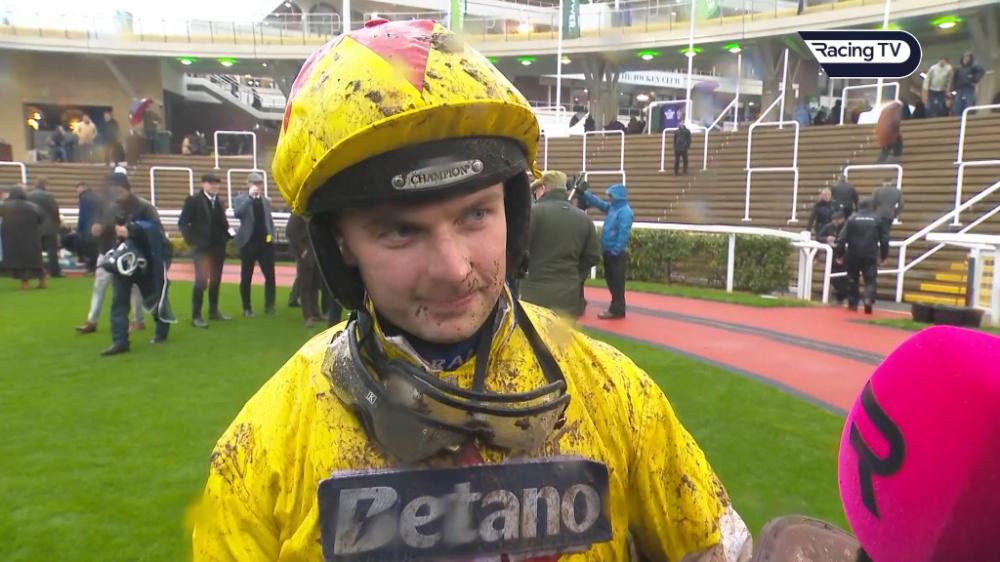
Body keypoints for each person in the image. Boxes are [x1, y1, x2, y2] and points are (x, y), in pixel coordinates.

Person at [192, 20, 750, 562]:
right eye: (401, 231)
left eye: (476, 214)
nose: (455, 270)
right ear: (340, 245)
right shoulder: (260, 451)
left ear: (514, 211)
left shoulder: (620, 397)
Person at [99, 172, 174, 355]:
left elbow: (157, 230)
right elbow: (108, 232)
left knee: (153, 298)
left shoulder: (145, 207)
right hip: (121, 262)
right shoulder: (111, 208)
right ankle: (120, 341)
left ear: (126, 187)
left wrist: (132, 230)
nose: (115, 191)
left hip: (144, 261)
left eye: (118, 187)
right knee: (119, 301)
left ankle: (162, 329)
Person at [519, 170, 601, 318]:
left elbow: (517, 249)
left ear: (543, 188)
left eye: (536, 190)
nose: (535, 194)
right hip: (569, 295)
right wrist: (575, 275)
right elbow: (592, 256)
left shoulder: (531, 213)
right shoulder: (584, 218)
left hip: (533, 294)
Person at [75, 179, 145, 335]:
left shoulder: (136, 207)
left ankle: (138, 320)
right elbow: (97, 225)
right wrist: (96, 229)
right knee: (99, 286)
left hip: (126, 251)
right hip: (107, 250)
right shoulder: (105, 206)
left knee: (133, 287)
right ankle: (91, 320)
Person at [178, 174, 232, 328]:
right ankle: (196, 316)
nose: (214, 186)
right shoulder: (194, 200)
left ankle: (213, 311)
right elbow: (183, 223)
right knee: (201, 282)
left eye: (217, 183)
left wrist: (227, 236)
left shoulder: (219, 202)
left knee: (216, 280)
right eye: (211, 183)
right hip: (202, 249)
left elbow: (223, 224)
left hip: (218, 248)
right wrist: (192, 241)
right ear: (203, 184)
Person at [579, 182, 634, 319]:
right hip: (609, 251)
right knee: (612, 282)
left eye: (611, 195)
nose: (610, 198)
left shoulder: (625, 212)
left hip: (616, 254)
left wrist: (615, 251)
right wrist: (584, 194)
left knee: (616, 283)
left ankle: (617, 310)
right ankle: (616, 309)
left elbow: (623, 234)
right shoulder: (613, 208)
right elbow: (598, 203)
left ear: (618, 196)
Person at [232, 172, 276, 317]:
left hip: (265, 244)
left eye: (259, 183)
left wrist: (272, 237)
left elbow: (268, 220)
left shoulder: (265, 201)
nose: (257, 186)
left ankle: (270, 306)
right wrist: (250, 198)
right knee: (246, 277)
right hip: (248, 243)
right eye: (254, 183)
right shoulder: (240, 199)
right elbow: (237, 214)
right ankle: (247, 308)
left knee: (270, 276)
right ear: (248, 184)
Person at [286, 213, 340, 327]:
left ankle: (315, 313)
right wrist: (302, 251)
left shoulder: (312, 212)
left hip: (315, 252)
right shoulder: (298, 213)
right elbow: (290, 231)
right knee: (305, 285)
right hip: (306, 253)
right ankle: (307, 316)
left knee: (315, 284)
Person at [836, 198, 889, 314]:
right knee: (870, 279)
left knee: (852, 279)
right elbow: (884, 240)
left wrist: (839, 254)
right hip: (870, 254)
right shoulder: (877, 219)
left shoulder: (851, 219)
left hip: (853, 253)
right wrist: (884, 256)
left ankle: (853, 304)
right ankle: (868, 298)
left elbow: (842, 238)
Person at [0, 186, 46, 289]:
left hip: (12, 238)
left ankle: (24, 283)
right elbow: (41, 219)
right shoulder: (33, 206)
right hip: (31, 237)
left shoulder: (5, 206)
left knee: (20, 262)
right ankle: (42, 280)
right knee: (35, 260)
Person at [27, 178, 62, 278]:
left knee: (35, 251)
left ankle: (35, 271)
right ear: (45, 184)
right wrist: (57, 224)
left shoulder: (28, 196)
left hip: (34, 227)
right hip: (49, 227)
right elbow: (55, 211)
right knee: (52, 251)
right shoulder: (48, 196)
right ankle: (54, 272)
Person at [817, 210, 848, 303]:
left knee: (844, 276)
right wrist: (826, 238)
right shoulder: (829, 226)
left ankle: (842, 295)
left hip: (845, 255)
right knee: (832, 275)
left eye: (837, 220)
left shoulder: (847, 226)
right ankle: (841, 293)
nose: (835, 222)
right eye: (833, 220)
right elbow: (818, 237)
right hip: (832, 255)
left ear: (842, 219)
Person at [75, 182, 101, 272]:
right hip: (96, 225)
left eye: (77, 190)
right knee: (95, 248)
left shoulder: (83, 198)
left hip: (87, 226)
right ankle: (94, 267)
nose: (77, 192)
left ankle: (91, 267)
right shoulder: (95, 196)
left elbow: (83, 215)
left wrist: (79, 228)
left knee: (89, 248)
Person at [952, 52, 985, 117]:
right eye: (965, 57)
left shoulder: (974, 66)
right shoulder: (958, 67)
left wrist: (974, 78)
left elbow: (981, 71)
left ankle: (968, 116)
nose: (966, 58)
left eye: (968, 57)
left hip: (969, 87)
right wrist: (952, 89)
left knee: (968, 102)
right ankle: (957, 116)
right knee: (957, 102)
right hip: (959, 88)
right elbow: (954, 78)